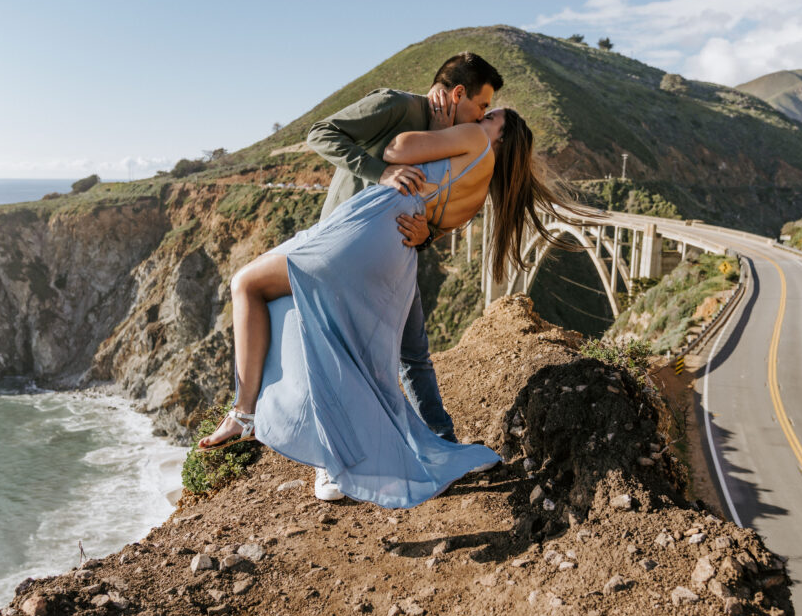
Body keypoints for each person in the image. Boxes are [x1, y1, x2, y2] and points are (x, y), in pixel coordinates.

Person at [197, 107, 586, 509]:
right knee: (345, 349)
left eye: (490, 117)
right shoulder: (479, 191)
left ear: (500, 136)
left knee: (247, 284)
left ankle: (246, 414)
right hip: (397, 256)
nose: (480, 117)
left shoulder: (473, 138)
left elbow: (398, 148)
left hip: (367, 228)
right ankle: (336, 459)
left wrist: (426, 142)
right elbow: (429, 230)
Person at [303, 52, 503, 500]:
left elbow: (436, 201)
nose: (482, 118)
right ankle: (329, 465)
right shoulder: (396, 106)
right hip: (343, 248)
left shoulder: (445, 138)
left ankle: (441, 443)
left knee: (414, 353)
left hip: (394, 253)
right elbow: (320, 133)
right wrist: (382, 172)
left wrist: (425, 235)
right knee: (340, 353)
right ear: (456, 95)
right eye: (481, 106)